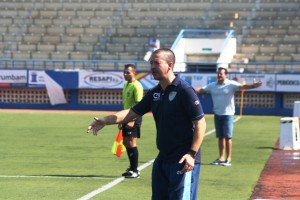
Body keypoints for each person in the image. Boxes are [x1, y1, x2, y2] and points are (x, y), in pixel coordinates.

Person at [87, 48, 206, 200]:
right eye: (151, 63)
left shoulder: (184, 90)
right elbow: (131, 113)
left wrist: (192, 154)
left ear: (170, 65)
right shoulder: (155, 92)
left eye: (157, 63)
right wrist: (105, 120)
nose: (152, 67)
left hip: (183, 160)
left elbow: (200, 123)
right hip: (163, 158)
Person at [195, 67, 262, 167]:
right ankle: (221, 158)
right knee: (220, 137)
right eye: (218, 74)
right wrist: (189, 89)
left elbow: (243, 86)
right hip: (217, 114)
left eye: (221, 74)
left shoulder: (231, 84)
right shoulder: (213, 86)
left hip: (228, 114)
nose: (219, 75)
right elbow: (201, 90)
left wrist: (253, 86)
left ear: (226, 75)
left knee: (228, 137)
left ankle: (228, 159)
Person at [120, 64, 144, 178]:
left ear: (134, 73)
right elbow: (126, 104)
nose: (125, 74)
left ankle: (135, 171)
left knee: (131, 142)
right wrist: (121, 119)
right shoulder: (125, 84)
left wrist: (132, 120)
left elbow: (139, 105)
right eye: (124, 72)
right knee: (125, 142)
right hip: (126, 116)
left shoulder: (137, 86)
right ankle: (132, 168)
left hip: (134, 117)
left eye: (128, 72)